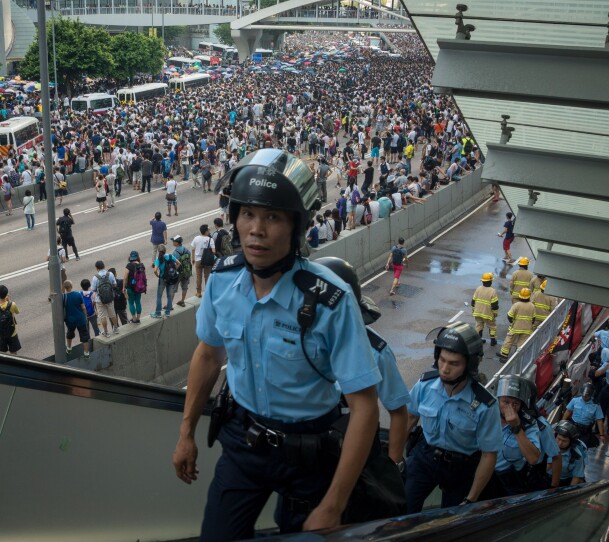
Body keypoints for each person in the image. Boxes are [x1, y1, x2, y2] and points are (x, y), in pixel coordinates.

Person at [172, 149, 381, 539]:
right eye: (248, 214)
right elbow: (207, 353)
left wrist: (333, 504)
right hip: (243, 440)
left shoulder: (329, 300)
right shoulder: (222, 280)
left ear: (295, 227)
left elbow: (364, 405)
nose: (257, 229)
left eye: (272, 217)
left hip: (309, 452)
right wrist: (185, 433)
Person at [315, 257, 411, 464]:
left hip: (354, 450)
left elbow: (399, 412)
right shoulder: (297, 341)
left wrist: (394, 465)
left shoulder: (376, 352)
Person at [404, 322, 500, 512]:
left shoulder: (485, 404)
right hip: (425, 457)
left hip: (462, 468)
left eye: (454, 363)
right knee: (402, 507)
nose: (445, 369)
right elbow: (409, 419)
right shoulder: (424, 385)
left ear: (469, 364)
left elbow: (489, 455)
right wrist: (394, 460)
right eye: (442, 360)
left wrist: (471, 499)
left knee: (452, 519)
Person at [491, 375, 545, 497]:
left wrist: (517, 428)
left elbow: (533, 458)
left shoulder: (529, 425)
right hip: (483, 474)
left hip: (508, 482)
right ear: (498, 400)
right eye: (506, 402)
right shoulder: (487, 415)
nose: (510, 407)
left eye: (515, 403)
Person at [53, 280, 90, 359]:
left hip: (70, 320)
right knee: (84, 335)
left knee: (70, 333)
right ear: (71, 286)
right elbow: (83, 308)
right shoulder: (78, 294)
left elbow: (53, 300)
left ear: (64, 288)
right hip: (80, 319)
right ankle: (86, 353)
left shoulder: (63, 297)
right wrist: (85, 317)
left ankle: (69, 348)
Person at [562, 383, 605, 448]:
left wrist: (602, 435)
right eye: (583, 395)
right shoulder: (575, 400)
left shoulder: (596, 405)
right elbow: (568, 411)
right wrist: (562, 422)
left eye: (587, 396)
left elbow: (599, 421)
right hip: (573, 427)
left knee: (582, 447)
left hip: (585, 431)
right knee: (569, 444)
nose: (585, 397)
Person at [499, 288, 535, 360]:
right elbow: (533, 319)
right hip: (527, 328)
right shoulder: (532, 305)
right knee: (522, 343)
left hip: (516, 327)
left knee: (509, 341)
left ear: (520, 296)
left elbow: (509, 316)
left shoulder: (516, 305)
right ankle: (517, 356)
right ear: (529, 296)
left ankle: (504, 355)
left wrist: (512, 322)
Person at [549, 421, 588, 486]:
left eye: (564, 441)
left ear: (571, 442)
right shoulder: (547, 446)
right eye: (558, 439)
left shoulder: (577, 456)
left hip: (563, 482)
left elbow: (576, 477)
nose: (560, 443)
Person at [92, 260, 120, 336]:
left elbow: (94, 289)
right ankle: (116, 328)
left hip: (99, 299)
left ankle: (106, 332)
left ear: (96, 268)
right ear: (104, 266)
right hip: (110, 298)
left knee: (102, 316)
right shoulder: (110, 274)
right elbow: (114, 284)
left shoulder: (95, 277)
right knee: (112, 314)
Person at [0, 284, 21, 355]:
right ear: (6, 294)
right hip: (12, 333)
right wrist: (9, 301)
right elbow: (17, 312)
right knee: (14, 353)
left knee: (1, 355)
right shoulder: (12, 304)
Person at [471, 272, 499, 346]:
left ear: (482, 281)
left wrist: (473, 309)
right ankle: (493, 341)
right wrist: (495, 313)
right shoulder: (493, 291)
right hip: (488, 314)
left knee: (479, 325)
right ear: (491, 281)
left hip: (477, 312)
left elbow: (473, 301)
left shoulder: (478, 289)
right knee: (492, 326)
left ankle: (478, 340)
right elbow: (495, 305)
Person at [151, 244, 178, 318]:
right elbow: (179, 263)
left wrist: (158, 275)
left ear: (158, 251)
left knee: (159, 296)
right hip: (171, 278)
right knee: (169, 296)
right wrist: (174, 270)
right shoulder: (170, 256)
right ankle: (167, 312)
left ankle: (158, 313)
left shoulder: (158, 259)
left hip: (163, 279)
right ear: (165, 250)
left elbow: (155, 270)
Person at [190, 224, 216, 298]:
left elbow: (193, 249)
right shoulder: (210, 240)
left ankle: (198, 292)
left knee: (199, 277)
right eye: (208, 230)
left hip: (198, 260)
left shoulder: (196, 238)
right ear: (206, 231)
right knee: (207, 276)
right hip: (207, 261)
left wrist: (193, 259)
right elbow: (214, 251)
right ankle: (208, 292)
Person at [123, 250, 145, 324]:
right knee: (138, 302)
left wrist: (124, 287)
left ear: (130, 257)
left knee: (131, 303)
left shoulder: (129, 266)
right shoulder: (141, 265)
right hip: (139, 287)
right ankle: (138, 319)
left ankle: (134, 319)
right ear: (137, 257)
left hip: (130, 288)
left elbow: (125, 277)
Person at [171, 235, 192, 308]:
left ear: (177, 243)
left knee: (173, 288)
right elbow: (189, 258)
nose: (173, 242)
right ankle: (182, 301)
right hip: (186, 271)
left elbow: (176, 264)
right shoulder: (186, 250)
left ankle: (169, 305)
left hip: (179, 273)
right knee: (185, 287)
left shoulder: (175, 252)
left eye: (173, 241)